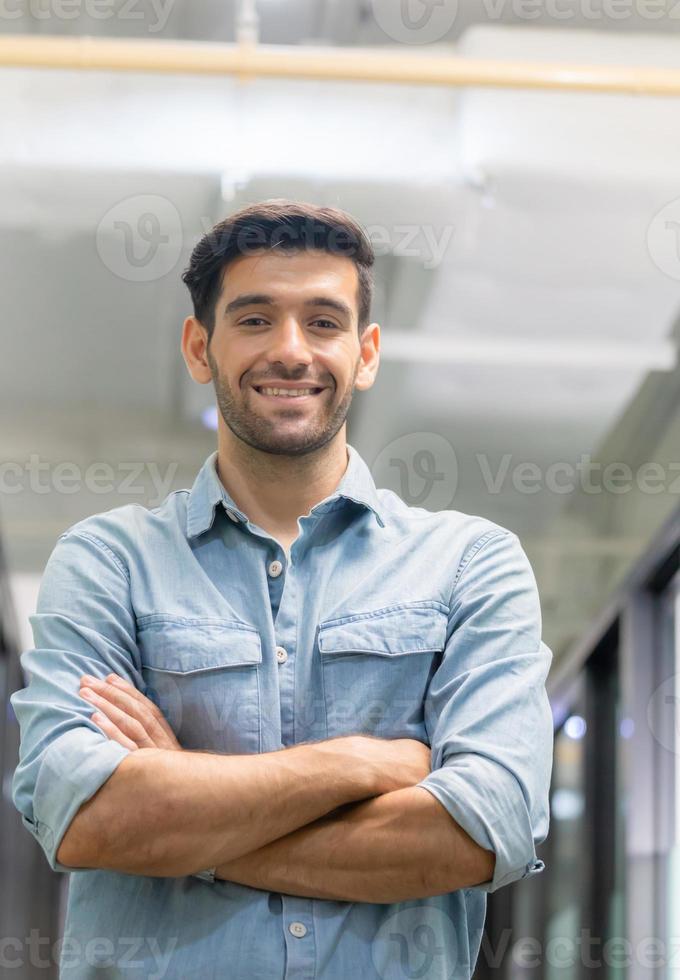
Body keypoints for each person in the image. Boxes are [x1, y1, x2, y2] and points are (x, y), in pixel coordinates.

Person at [11, 200, 554, 979]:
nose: (291, 351)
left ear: (365, 354)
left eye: (324, 322)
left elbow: (483, 829)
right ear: (201, 347)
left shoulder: (471, 564)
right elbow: (84, 817)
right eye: (256, 319)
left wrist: (183, 822)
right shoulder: (109, 562)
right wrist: (363, 763)